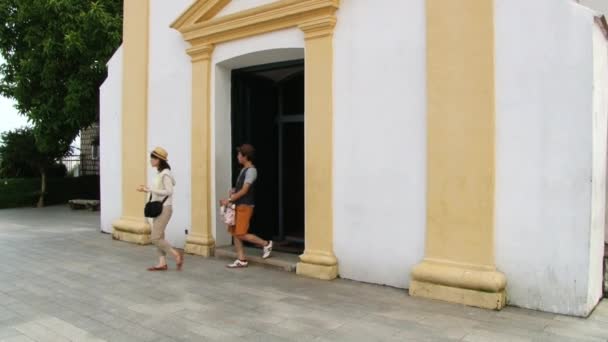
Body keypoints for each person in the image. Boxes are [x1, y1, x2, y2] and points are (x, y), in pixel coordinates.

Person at [220, 144, 273, 268]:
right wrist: (233, 191)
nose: (237, 157)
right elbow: (240, 189)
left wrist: (229, 199)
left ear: (246, 156)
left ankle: (265, 243)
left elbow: (244, 190)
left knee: (241, 233)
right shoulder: (244, 169)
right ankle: (241, 259)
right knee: (235, 232)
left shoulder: (251, 171)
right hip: (239, 204)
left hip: (245, 205)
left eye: (239, 155)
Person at [137, 147, 183, 271]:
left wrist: (149, 189)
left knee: (155, 238)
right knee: (159, 236)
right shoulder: (160, 173)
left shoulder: (165, 173)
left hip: (165, 208)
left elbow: (169, 191)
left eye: (153, 157)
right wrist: (147, 189)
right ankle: (162, 263)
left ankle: (176, 254)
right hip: (158, 208)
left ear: (159, 160)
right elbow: (158, 191)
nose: (150, 160)